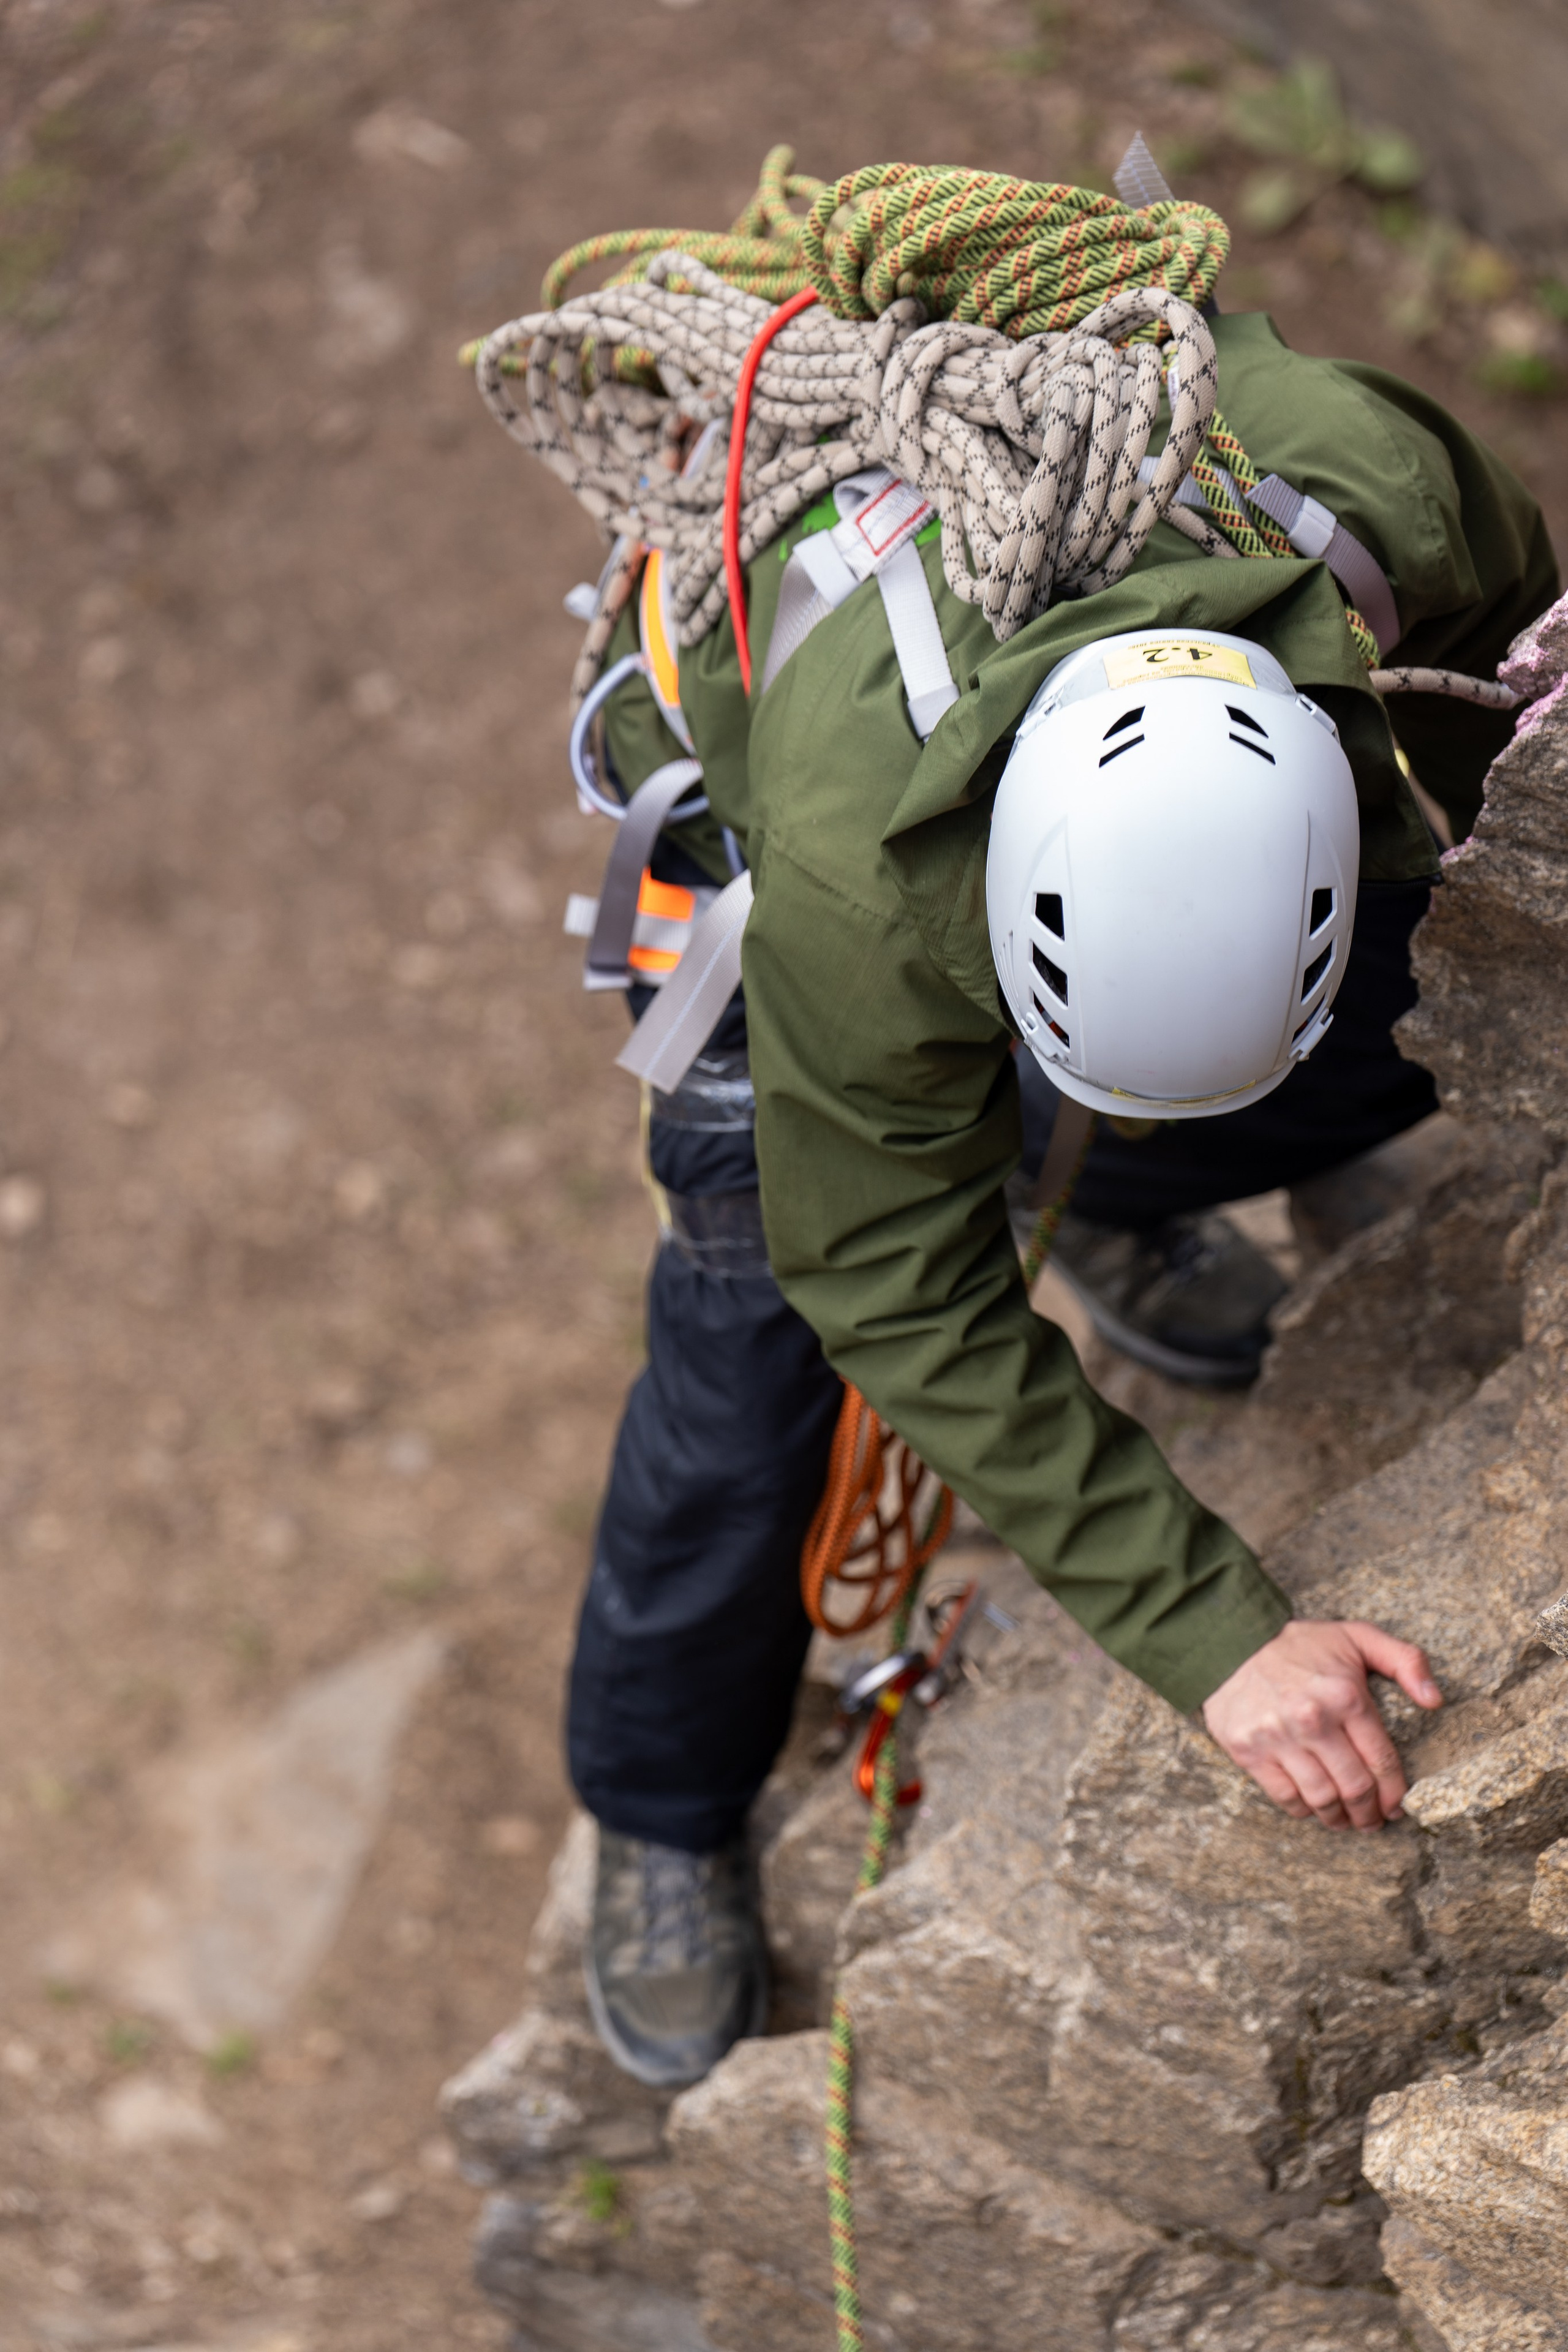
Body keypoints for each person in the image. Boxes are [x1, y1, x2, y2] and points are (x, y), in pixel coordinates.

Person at [479, 164, 1559, 2090]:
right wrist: (1213, 1630)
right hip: (778, 823)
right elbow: (885, 1281)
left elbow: (1509, 632)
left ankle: (1126, 1194)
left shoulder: (1363, 493)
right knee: (755, 1351)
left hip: (1144, 729)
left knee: (1424, 1022)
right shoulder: (859, 895)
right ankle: (660, 1806)